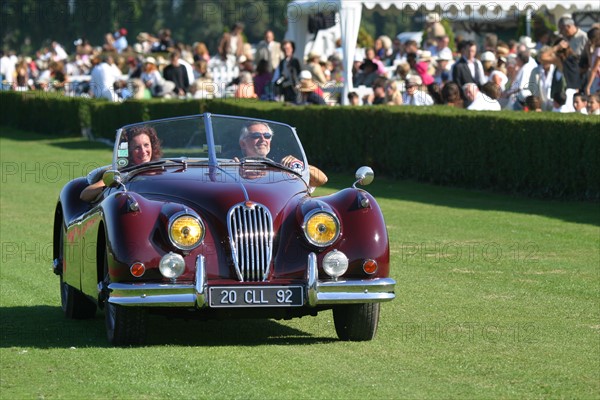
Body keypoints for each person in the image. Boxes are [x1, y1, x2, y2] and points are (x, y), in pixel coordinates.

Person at [80, 126, 162, 202]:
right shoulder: (122, 174)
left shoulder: (164, 167)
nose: (143, 151)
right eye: (137, 147)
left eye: (146, 145)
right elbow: (85, 195)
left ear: (152, 146)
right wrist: (111, 186)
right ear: (128, 152)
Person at [237, 121, 327, 188]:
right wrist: (236, 168)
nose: (263, 139)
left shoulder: (281, 168)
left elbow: (322, 180)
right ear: (243, 144)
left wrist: (298, 164)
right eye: (256, 136)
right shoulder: (234, 167)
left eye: (267, 136)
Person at [528, 46, 567, 111]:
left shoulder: (557, 70)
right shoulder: (535, 71)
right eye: (542, 59)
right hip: (540, 108)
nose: (545, 61)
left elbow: (562, 86)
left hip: (556, 106)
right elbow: (532, 89)